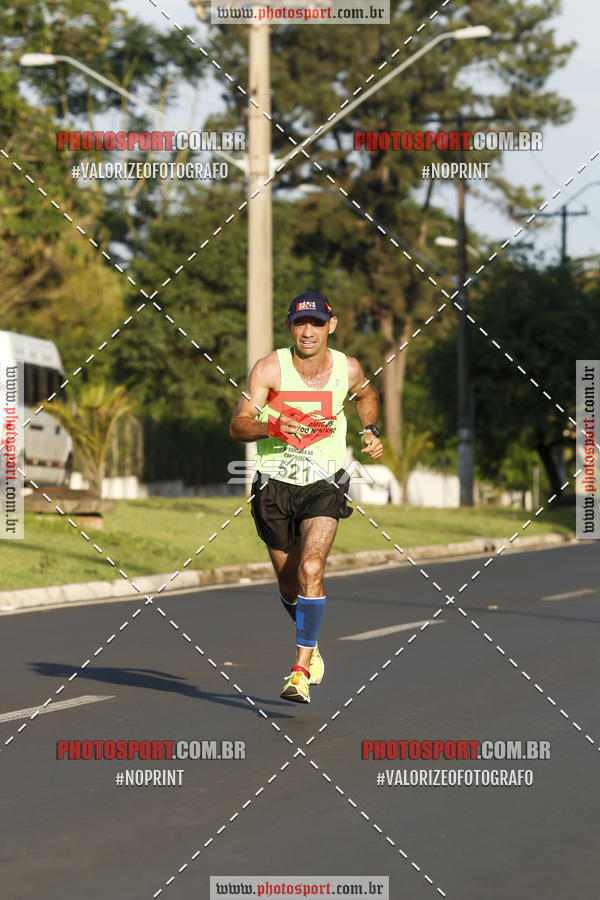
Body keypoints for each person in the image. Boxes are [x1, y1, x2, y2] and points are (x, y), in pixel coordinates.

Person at [229, 291, 383, 704]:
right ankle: (310, 640)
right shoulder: (269, 368)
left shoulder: (347, 369)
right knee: (289, 579)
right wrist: (274, 428)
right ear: (290, 328)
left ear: (331, 325)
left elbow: (367, 394)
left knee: (312, 566)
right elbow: (239, 425)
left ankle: (301, 667)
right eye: (300, 323)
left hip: (324, 483)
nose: (308, 331)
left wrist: (369, 430)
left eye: (316, 323)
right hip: (273, 484)